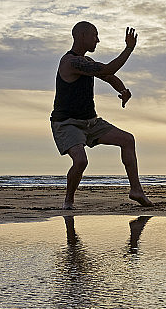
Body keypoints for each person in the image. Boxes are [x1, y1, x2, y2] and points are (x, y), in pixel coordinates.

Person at [51, 21, 153, 210]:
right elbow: (108, 69)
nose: (98, 40)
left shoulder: (86, 62)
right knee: (80, 161)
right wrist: (128, 49)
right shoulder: (71, 62)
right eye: (94, 35)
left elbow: (108, 77)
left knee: (127, 140)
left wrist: (122, 90)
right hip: (67, 123)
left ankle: (136, 190)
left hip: (91, 122)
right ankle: (69, 201)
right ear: (82, 36)